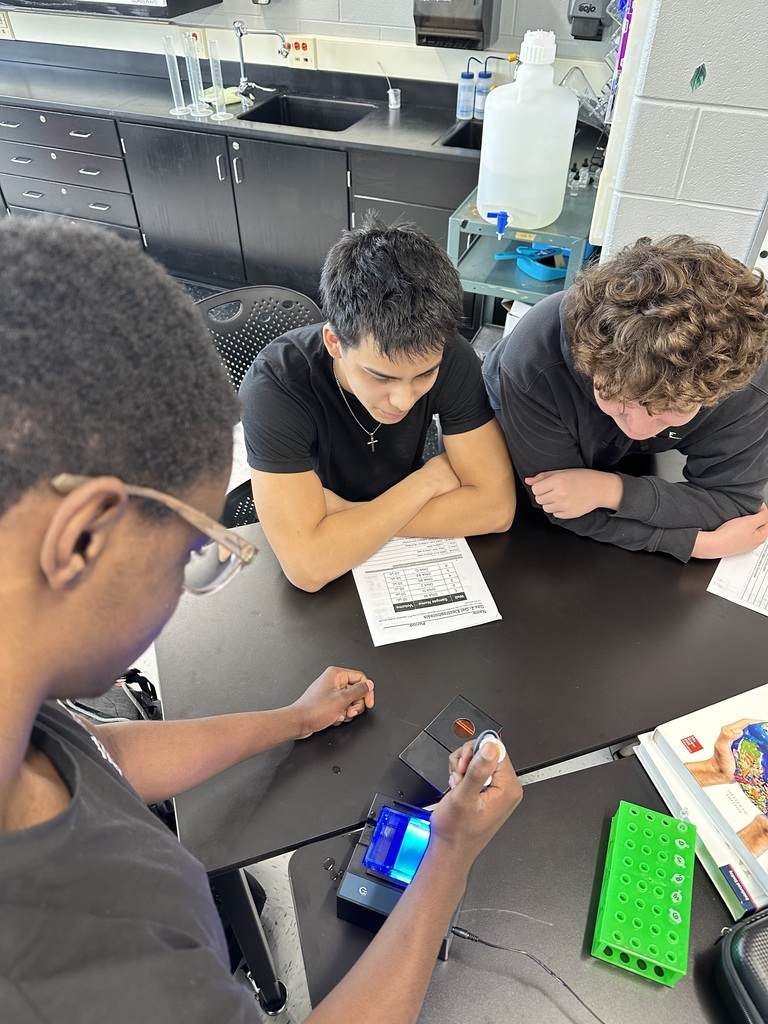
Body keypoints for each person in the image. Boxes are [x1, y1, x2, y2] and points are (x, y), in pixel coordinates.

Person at [0, 218, 522, 1024]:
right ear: (82, 539)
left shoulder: (27, 714)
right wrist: (448, 855)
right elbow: (309, 557)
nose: (196, 575)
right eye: (200, 548)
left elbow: (96, 756)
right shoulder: (89, 962)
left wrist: (289, 720)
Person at [238, 214, 516, 592]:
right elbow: (307, 566)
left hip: (346, 527)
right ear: (335, 343)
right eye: (380, 377)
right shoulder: (276, 386)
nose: (402, 400)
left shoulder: (450, 356)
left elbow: (496, 510)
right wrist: (427, 482)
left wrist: (351, 519)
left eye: (423, 375)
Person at [482, 234, 768, 561]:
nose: (637, 425)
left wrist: (612, 491)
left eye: (671, 409)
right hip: (518, 418)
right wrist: (697, 544)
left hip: (618, 458)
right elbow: (559, 503)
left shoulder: (745, 376)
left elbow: (733, 504)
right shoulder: (534, 357)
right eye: (613, 396)